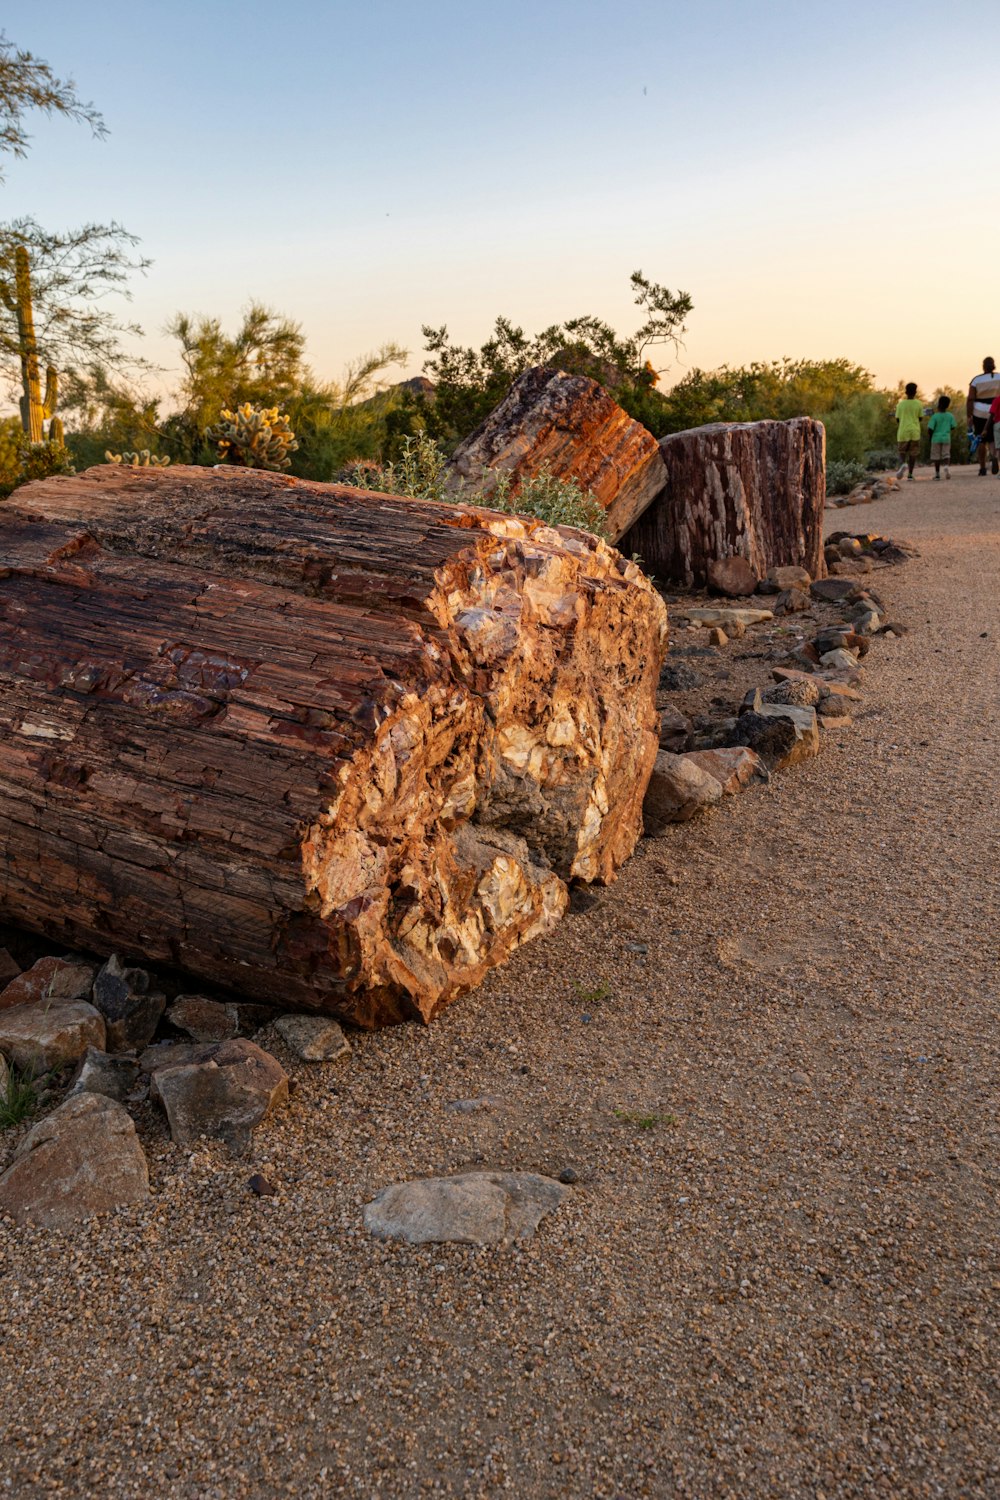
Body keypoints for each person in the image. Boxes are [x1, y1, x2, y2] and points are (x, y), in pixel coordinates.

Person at [966, 356, 1000, 476]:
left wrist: (969, 416)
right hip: (996, 411)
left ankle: (982, 468)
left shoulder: (976, 380)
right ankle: (994, 456)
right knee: (993, 438)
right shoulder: (999, 377)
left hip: (979, 412)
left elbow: (970, 399)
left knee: (980, 438)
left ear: (983, 366)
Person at [895, 382, 923, 481]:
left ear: (905, 392)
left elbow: (897, 419)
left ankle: (903, 464)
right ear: (915, 392)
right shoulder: (919, 404)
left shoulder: (900, 404)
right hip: (915, 432)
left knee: (902, 451)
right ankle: (910, 475)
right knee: (913, 453)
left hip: (903, 432)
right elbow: (920, 418)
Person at [927, 394, 957, 480]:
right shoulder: (950, 416)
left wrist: (930, 437)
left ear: (938, 404)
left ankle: (937, 474)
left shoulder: (934, 416)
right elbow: (953, 426)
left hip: (936, 438)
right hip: (946, 438)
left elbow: (930, 429)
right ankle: (946, 466)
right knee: (946, 454)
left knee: (936, 456)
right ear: (947, 405)